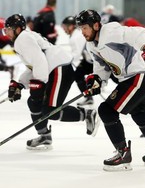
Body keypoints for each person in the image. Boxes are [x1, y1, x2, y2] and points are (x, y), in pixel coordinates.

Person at [75, 9, 145, 171]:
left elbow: (139, 32)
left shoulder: (110, 31)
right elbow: (101, 67)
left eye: (85, 27)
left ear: (96, 25)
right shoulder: (92, 45)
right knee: (140, 114)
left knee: (106, 111)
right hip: (134, 78)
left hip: (139, 76)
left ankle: (123, 154)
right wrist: (98, 79)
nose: (83, 32)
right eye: (80, 29)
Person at [4, 14, 98, 150]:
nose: (6, 32)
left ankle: (87, 114)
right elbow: (35, 65)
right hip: (55, 69)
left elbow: (39, 62)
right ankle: (44, 136)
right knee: (34, 103)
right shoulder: (24, 37)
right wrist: (20, 83)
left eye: (8, 29)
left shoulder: (23, 39)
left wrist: (37, 85)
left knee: (49, 110)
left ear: (17, 29)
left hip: (59, 69)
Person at [61, 16, 94, 106]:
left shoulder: (76, 37)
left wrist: (65, 59)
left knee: (78, 75)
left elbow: (77, 54)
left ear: (71, 26)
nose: (64, 29)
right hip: (89, 58)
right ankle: (88, 97)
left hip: (92, 59)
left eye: (65, 27)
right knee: (78, 75)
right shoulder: (75, 35)